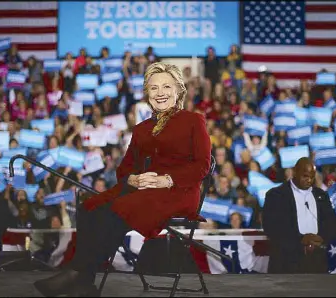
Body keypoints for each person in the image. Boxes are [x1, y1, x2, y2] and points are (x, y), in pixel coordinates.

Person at [33, 62, 212, 297]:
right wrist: (134, 180)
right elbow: (124, 170)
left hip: (179, 192)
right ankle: (85, 283)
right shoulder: (140, 129)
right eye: (154, 88)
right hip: (143, 190)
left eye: (166, 87)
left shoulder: (193, 121)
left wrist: (166, 180)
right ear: (147, 93)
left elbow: (202, 166)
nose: (160, 93)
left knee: (118, 208)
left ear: (178, 90)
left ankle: (77, 273)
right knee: (89, 206)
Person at [262, 157, 336, 273]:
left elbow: (332, 222)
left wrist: (321, 238)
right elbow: (270, 228)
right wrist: (301, 240)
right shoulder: (276, 195)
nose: (309, 180)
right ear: (295, 172)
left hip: (316, 262)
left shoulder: (321, 196)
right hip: (286, 263)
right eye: (305, 176)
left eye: (312, 177)